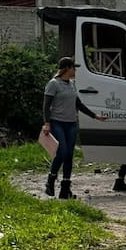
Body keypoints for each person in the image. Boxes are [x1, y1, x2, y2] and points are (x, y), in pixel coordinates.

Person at [42, 56, 105, 199]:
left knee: (69, 155)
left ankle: (65, 189)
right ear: (67, 69)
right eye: (73, 68)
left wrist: (95, 116)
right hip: (57, 122)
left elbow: (78, 104)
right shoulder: (53, 84)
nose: (75, 70)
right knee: (62, 152)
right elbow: (46, 106)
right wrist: (47, 123)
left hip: (71, 123)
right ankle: (50, 180)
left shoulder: (72, 84)